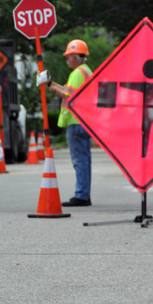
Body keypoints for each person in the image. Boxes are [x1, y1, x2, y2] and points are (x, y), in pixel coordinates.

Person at [37, 39, 93, 207]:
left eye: (68, 57)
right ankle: (84, 194)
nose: (67, 60)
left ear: (76, 57)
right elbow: (69, 91)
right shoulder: (86, 71)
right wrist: (50, 83)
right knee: (85, 160)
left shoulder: (77, 73)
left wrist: (52, 88)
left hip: (76, 122)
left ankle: (82, 195)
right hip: (84, 121)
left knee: (79, 161)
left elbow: (68, 95)